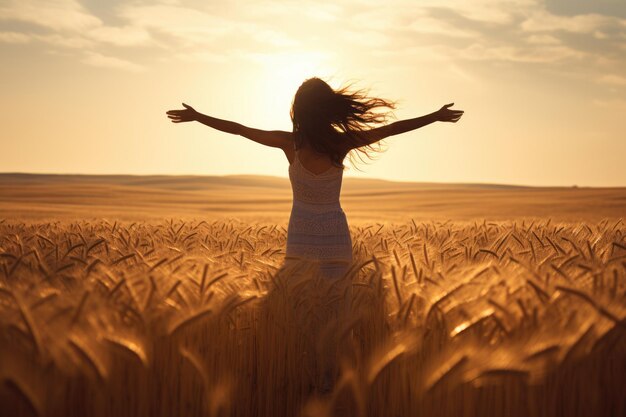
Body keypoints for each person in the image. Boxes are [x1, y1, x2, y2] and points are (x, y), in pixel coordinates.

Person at [166, 76, 463, 393]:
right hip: (336, 241)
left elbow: (239, 129)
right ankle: (331, 383)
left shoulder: (289, 144)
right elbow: (390, 129)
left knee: (300, 320)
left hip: (301, 242)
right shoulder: (340, 144)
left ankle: (307, 384)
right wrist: (434, 116)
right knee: (336, 319)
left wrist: (199, 117)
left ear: (300, 111)